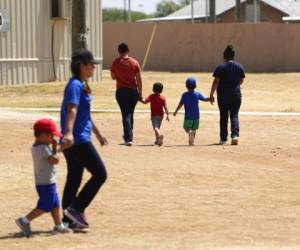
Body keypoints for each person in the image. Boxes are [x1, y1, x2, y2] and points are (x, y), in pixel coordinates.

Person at [60, 48, 108, 230]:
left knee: (74, 178)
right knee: (100, 174)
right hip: (77, 140)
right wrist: (69, 133)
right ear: (82, 66)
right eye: (91, 65)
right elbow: (72, 109)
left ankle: (66, 220)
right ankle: (77, 209)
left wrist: (98, 134)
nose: (94, 69)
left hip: (77, 138)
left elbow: (84, 114)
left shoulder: (80, 84)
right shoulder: (74, 85)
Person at [15, 119, 71, 237]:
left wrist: (53, 146)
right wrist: (57, 148)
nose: (53, 138)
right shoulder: (44, 148)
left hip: (44, 181)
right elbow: (55, 160)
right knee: (46, 205)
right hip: (46, 183)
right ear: (42, 135)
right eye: (51, 136)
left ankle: (58, 225)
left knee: (55, 204)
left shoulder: (37, 146)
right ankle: (24, 220)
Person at [209, 45, 245, 145]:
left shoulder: (220, 68)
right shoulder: (239, 67)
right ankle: (235, 135)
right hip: (236, 95)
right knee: (234, 115)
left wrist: (211, 95)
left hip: (223, 95)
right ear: (233, 56)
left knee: (223, 116)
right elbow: (241, 80)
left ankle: (223, 139)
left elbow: (216, 82)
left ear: (224, 56)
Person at [110, 43, 143, 146]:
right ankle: (129, 135)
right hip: (133, 92)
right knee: (130, 113)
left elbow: (113, 77)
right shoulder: (135, 62)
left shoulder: (115, 63)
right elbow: (139, 80)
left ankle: (128, 137)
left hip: (121, 91)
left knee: (126, 114)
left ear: (119, 51)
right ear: (128, 50)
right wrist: (140, 94)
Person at [173, 77, 211, 146]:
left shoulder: (184, 95)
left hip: (188, 116)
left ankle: (189, 133)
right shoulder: (197, 94)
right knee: (194, 129)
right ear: (195, 86)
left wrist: (176, 111)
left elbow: (180, 104)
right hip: (196, 115)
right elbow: (205, 99)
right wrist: (210, 98)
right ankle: (191, 142)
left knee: (186, 128)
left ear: (186, 86)